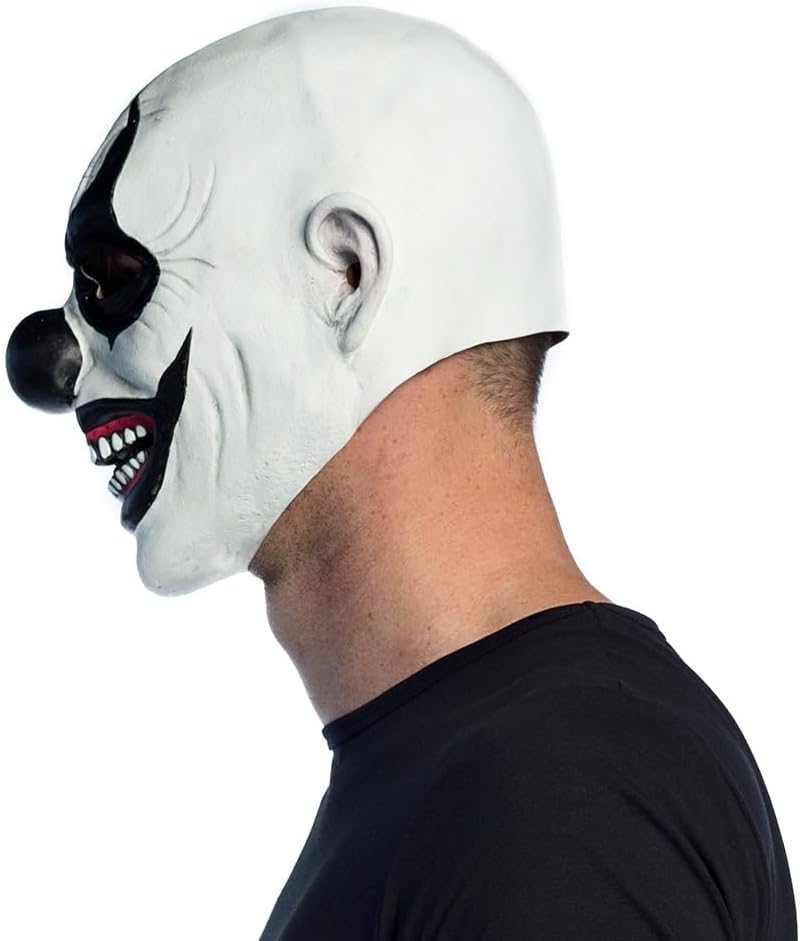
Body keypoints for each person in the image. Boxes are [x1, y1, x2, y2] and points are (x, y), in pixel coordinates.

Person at [5, 7, 796, 939]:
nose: (48, 370)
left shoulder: (556, 800)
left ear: (346, 275)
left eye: (113, 278)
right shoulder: (490, 780)